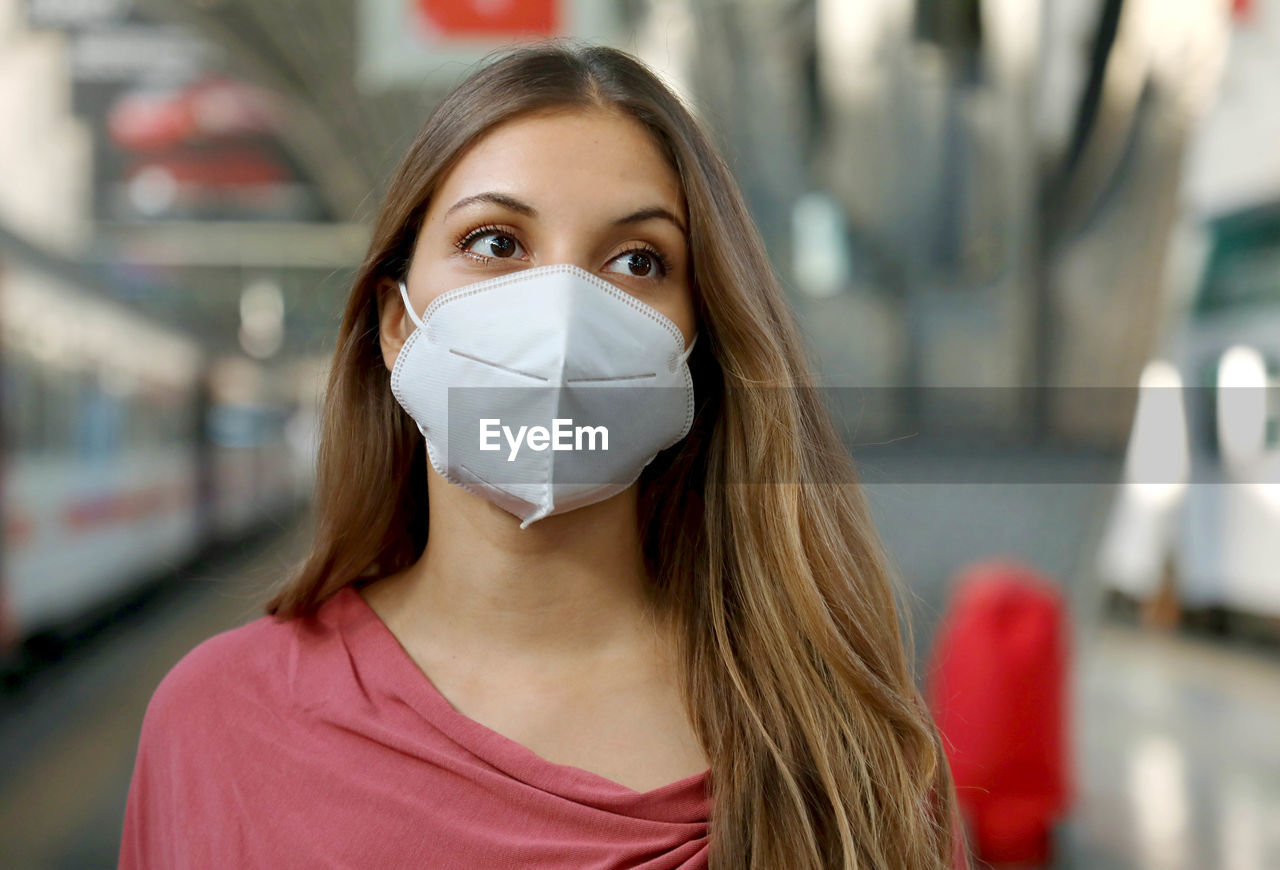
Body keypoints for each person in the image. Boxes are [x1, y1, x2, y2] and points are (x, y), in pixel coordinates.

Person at [119, 42, 968, 870]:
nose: (561, 318)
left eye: (638, 261)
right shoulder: (217, 722)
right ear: (395, 322)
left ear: (698, 346)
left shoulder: (848, 753)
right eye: (495, 243)